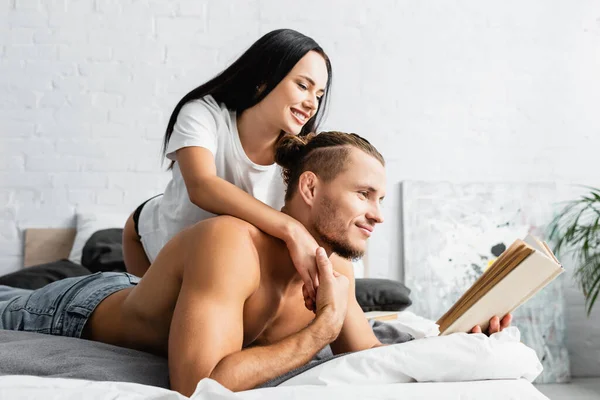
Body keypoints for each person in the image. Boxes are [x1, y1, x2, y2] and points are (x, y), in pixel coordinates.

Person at [0, 132, 511, 396]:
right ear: (309, 188)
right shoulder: (231, 243)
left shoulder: (339, 271)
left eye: (381, 199)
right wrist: (317, 333)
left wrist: (463, 345)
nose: (378, 214)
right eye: (364, 195)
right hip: (71, 309)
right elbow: (198, 386)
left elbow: (372, 357)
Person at [123, 28, 332, 302]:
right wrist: (291, 229)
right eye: (303, 86)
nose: (311, 104)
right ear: (263, 79)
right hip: (150, 243)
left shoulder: (304, 154)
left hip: (221, 264)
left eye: (319, 94)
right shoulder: (203, 114)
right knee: (157, 331)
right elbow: (202, 186)